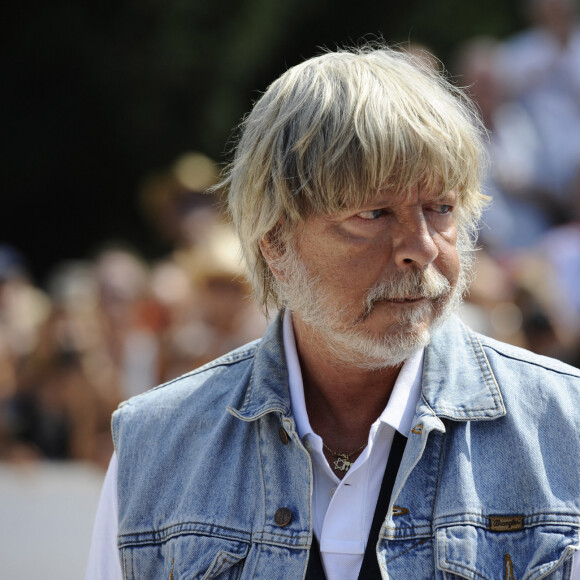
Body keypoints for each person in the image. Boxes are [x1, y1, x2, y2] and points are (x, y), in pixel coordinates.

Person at [86, 45, 580, 579]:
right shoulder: (158, 449)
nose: (422, 247)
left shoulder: (565, 428)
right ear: (274, 241)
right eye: (374, 212)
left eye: (441, 208)